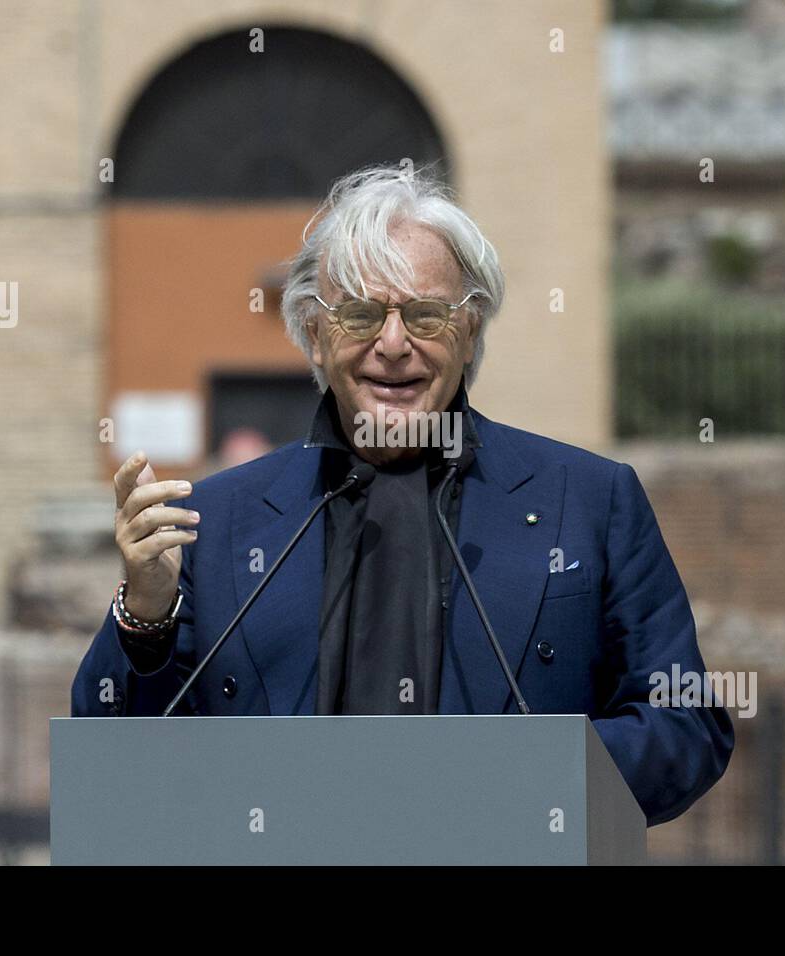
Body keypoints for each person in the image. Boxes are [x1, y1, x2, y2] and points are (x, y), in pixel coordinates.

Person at [71, 165, 733, 826]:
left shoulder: (590, 500)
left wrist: (526, 779)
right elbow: (113, 760)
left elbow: (686, 729)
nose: (393, 345)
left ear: (470, 328)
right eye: (359, 314)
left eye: (426, 314)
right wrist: (147, 615)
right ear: (314, 331)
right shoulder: (215, 520)